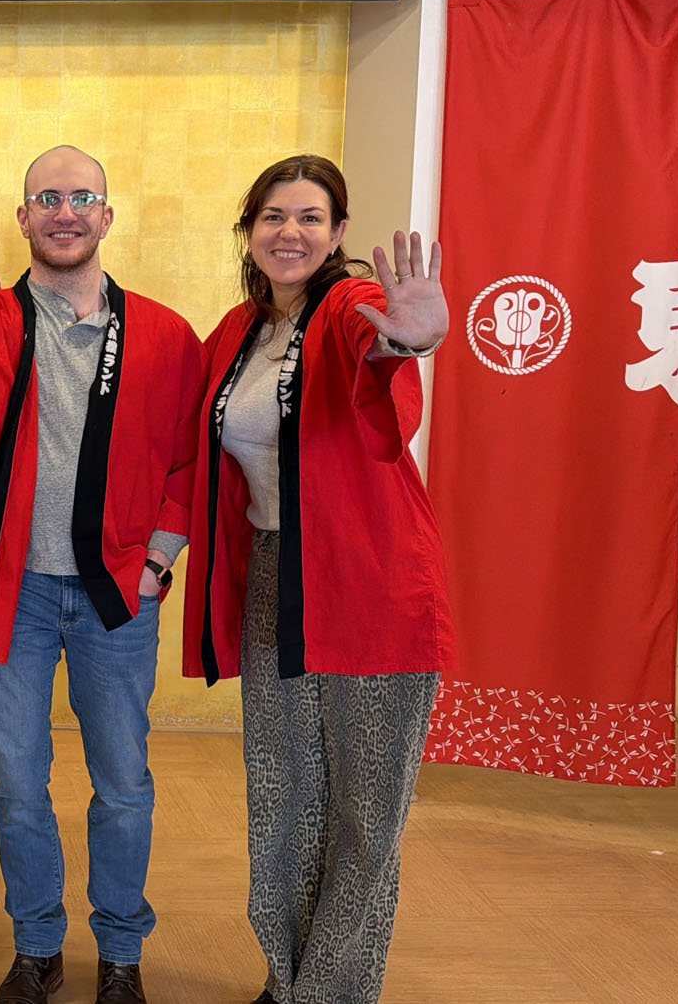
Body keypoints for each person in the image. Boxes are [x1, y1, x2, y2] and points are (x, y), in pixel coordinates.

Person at [0, 146, 206, 1004]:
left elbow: (187, 459)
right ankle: (38, 945)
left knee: (122, 781)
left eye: (82, 197)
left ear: (107, 216)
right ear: (24, 217)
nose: (64, 212)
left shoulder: (164, 333)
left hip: (118, 593)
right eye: (47, 198)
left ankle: (120, 953)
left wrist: (158, 556)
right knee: (20, 783)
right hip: (17, 593)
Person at [182, 155, 452, 1004]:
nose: (288, 232)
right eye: (271, 216)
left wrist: (407, 337)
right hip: (277, 583)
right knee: (284, 799)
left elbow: (376, 349)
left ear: (337, 234)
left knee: (366, 815)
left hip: (373, 587)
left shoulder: (345, 305)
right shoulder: (235, 332)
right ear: (249, 232)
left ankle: (332, 992)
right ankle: (288, 976)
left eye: (308, 217)